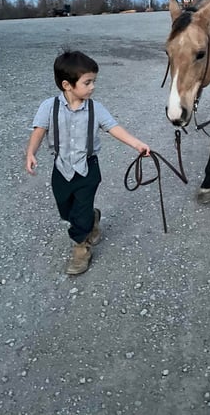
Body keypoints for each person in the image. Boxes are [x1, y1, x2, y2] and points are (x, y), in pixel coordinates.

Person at [25, 48, 150, 275]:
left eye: (94, 81)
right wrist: (30, 153)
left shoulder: (96, 108)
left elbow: (115, 128)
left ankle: (81, 250)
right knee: (67, 211)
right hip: (61, 169)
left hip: (88, 169)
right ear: (67, 85)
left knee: (79, 214)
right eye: (87, 82)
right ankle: (92, 218)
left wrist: (137, 144)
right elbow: (39, 131)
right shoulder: (48, 106)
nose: (93, 87)